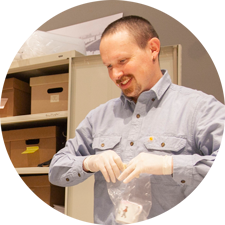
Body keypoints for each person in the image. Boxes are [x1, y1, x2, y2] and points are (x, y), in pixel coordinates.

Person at [49, 15, 225, 225]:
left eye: (122, 61)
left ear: (153, 48)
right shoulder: (99, 117)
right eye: (108, 66)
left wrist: (169, 164)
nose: (116, 74)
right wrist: (89, 162)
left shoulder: (199, 108)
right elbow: (57, 169)